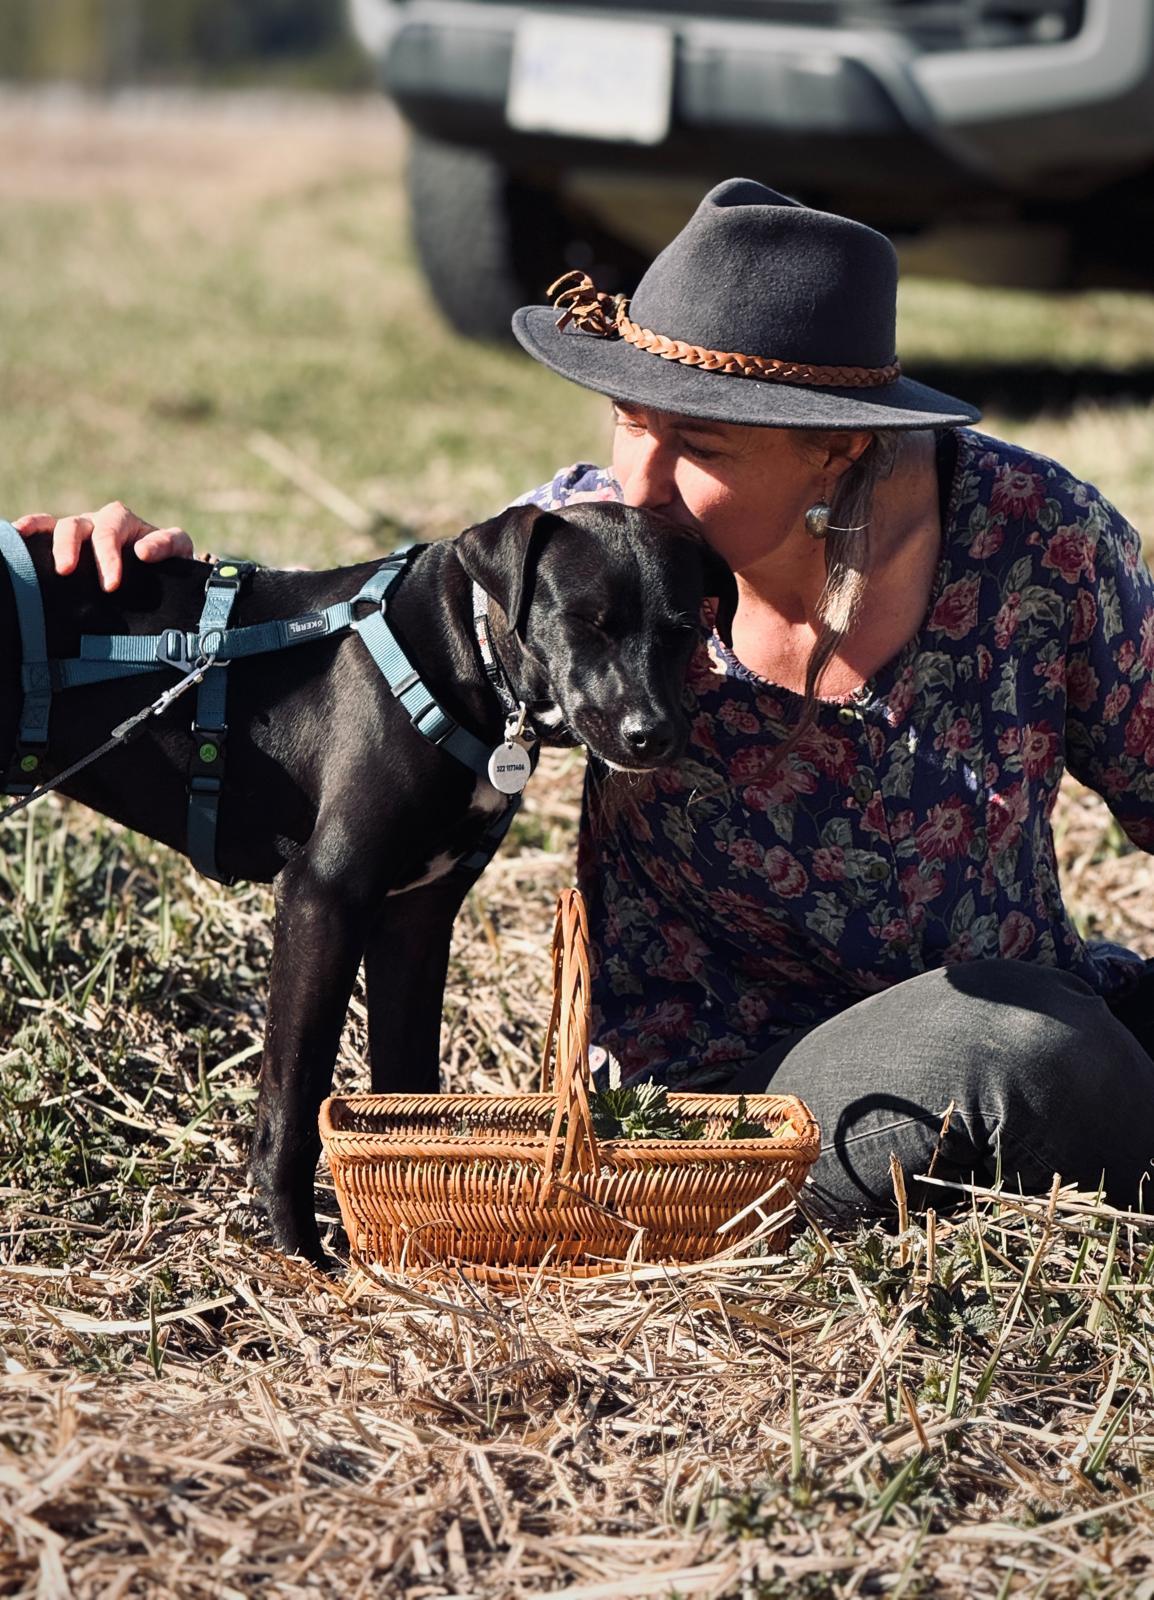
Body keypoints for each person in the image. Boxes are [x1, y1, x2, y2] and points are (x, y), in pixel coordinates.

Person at [16, 178, 1154, 1223]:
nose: (640, 477)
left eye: (695, 440)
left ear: (835, 446)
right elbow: (335, 662)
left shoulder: (1037, 546)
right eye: (628, 418)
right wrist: (147, 587)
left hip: (1029, 990)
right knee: (1029, 1056)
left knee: (1063, 1024)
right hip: (739, 1097)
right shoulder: (586, 549)